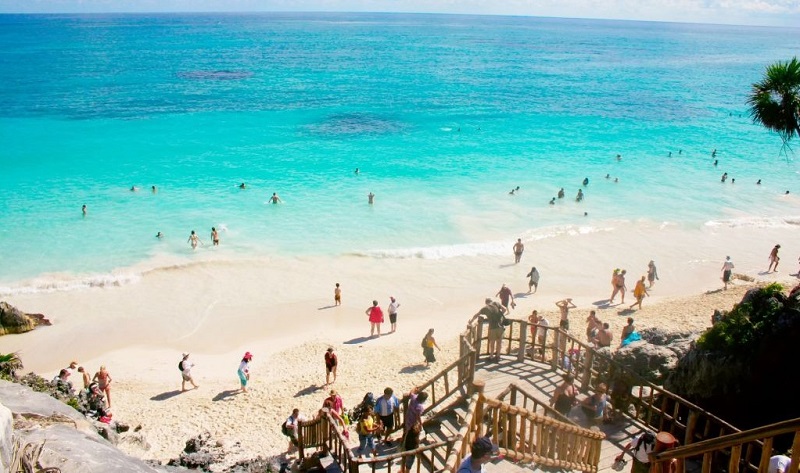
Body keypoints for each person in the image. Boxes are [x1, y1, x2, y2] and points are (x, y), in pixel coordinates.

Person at [400, 387, 428, 473]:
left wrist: (414, 388)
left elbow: (411, 392)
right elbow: (417, 416)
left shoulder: (414, 398)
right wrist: (420, 422)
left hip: (408, 418)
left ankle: (402, 470)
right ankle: (407, 471)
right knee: (410, 458)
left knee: (406, 432)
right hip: (412, 422)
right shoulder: (420, 407)